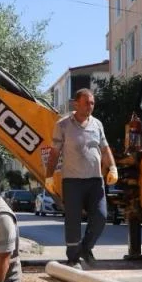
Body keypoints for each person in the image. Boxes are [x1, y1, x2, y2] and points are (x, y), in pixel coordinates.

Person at [44, 88, 117, 268]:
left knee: (101, 216)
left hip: (95, 181)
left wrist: (113, 167)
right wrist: (49, 177)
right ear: (76, 103)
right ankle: (73, 257)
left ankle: (86, 247)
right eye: (86, 103)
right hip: (73, 181)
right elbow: (54, 153)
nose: (90, 107)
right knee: (73, 221)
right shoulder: (63, 125)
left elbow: (105, 148)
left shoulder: (97, 124)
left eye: (92, 103)